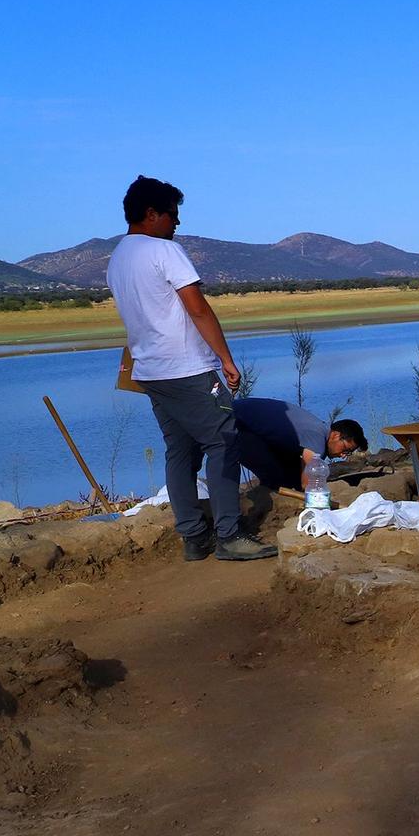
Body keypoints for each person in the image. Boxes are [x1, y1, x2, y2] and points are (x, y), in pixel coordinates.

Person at [105, 176, 276, 561]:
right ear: (152, 215)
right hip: (186, 368)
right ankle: (230, 535)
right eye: (173, 215)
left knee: (180, 450)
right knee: (224, 441)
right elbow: (197, 308)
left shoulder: (117, 258)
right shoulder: (165, 251)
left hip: (150, 371)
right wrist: (226, 360)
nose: (177, 223)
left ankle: (194, 537)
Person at [230, 398, 368, 493]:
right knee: (278, 478)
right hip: (233, 422)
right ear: (336, 435)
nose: (344, 456)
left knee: (291, 475)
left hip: (241, 419)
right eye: (345, 450)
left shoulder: (320, 431)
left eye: (348, 453)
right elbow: (308, 483)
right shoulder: (317, 438)